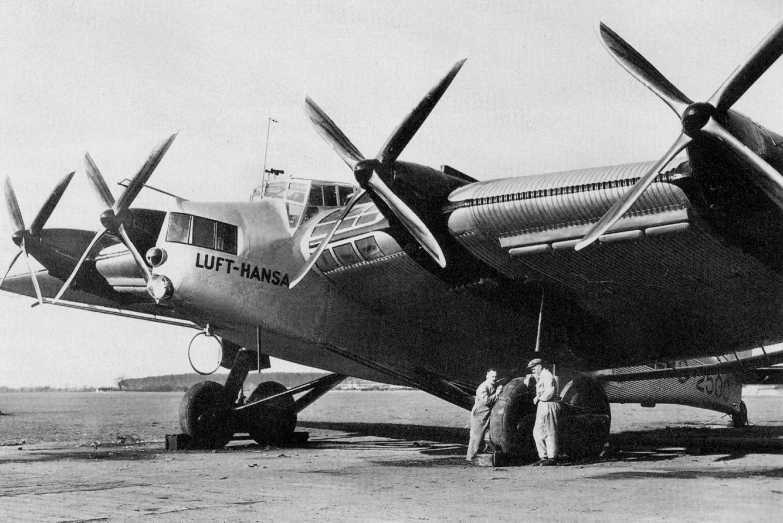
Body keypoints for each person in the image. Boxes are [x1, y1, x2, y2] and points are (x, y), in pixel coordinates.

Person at [527, 358, 560, 465]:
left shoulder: (547, 375)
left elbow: (550, 392)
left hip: (548, 404)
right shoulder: (542, 376)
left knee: (549, 431)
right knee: (538, 432)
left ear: (540, 366)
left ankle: (552, 458)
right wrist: (538, 397)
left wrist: (539, 398)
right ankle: (543, 457)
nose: (532, 370)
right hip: (543, 405)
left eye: (533, 368)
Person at [466, 369, 503, 461]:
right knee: (476, 436)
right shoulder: (482, 387)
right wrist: (497, 393)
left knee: (486, 434)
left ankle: (481, 453)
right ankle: (471, 457)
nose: (494, 378)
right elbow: (486, 401)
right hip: (480, 414)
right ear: (487, 376)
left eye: (496, 377)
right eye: (492, 376)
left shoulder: (494, 385)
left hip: (487, 413)